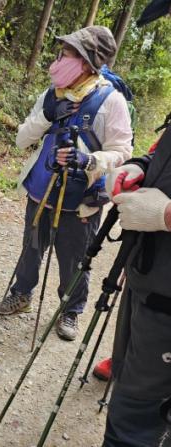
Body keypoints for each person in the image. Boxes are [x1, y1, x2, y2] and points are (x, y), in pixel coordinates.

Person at [0, 26, 133, 341]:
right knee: (31, 248)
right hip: (41, 188)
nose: (59, 61)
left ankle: (71, 309)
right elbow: (21, 139)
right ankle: (21, 294)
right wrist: (47, 114)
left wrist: (89, 160)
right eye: (61, 53)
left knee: (74, 260)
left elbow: (123, 152)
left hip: (82, 197)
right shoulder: (51, 94)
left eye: (67, 55)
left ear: (86, 62)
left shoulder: (111, 101)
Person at [102, 120, 171, 445]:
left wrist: (166, 214)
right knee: (128, 397)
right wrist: (140, 167)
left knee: (134, 422)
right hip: (148, 281)